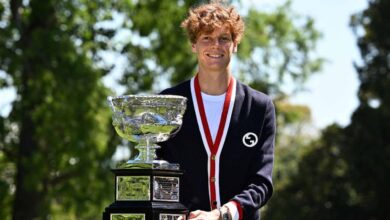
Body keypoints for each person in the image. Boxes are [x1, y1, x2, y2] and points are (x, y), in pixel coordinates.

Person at [158, 2, 276, 220]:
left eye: (224, 38)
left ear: (235, 45)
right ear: (194, 44)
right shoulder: (167, 104)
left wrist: (222, 215)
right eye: (207, 38)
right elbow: (155, 172)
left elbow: (262, 183)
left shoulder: (260, 107)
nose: (216, 45)